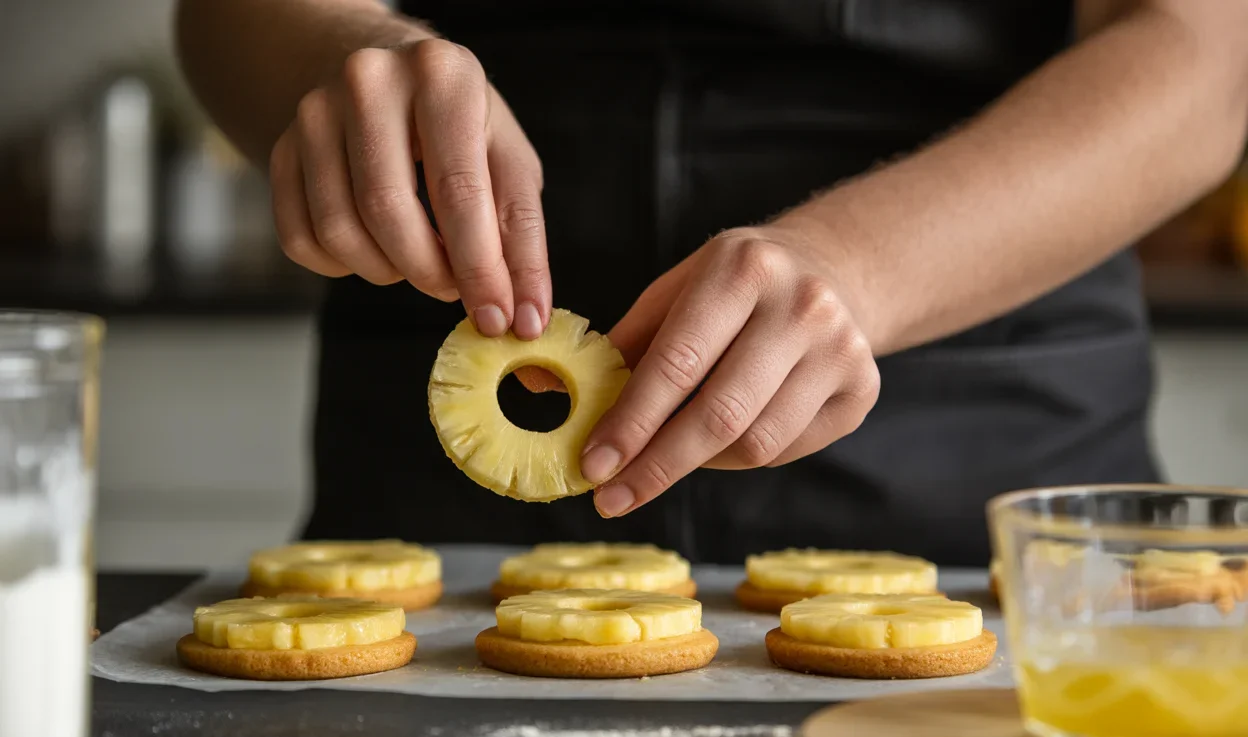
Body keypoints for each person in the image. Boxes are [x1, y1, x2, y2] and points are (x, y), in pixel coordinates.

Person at [174, 0, 1248, 567]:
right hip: (433, 486)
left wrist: (860, 267)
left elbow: (1206, 52)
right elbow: (231, 10)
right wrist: (345, 57)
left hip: (973, 435)